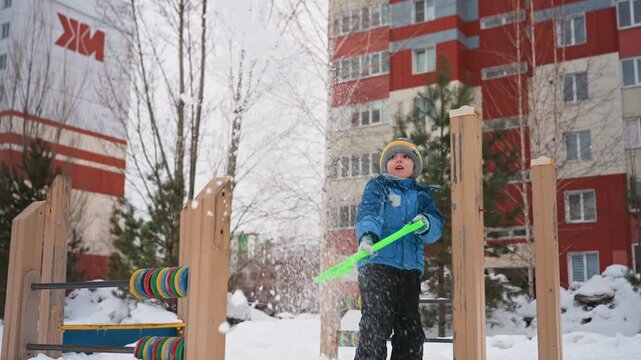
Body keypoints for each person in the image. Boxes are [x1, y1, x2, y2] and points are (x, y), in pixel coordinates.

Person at [354, 138, 444, 360]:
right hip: (377, 265)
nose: (398, 160)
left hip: (409, 271)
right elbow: (369, 214)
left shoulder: (423, 196)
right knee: (376, 325)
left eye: (405, 156)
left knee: (410, 332)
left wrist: (427, 223)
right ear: (386, 165)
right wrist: (367, 237)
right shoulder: (379, 187)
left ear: (415, 165)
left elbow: (436, 228)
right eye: (393, 157)